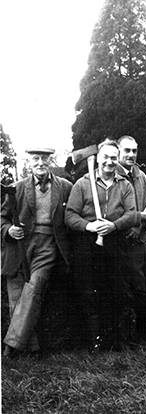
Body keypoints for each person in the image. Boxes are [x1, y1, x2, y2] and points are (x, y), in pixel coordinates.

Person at [65, 139, 138, 352]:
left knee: (118, 290)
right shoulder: (83, 183)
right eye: (105, 157)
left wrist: (113, 226)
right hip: (87, 243)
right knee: (89, 291)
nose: (109, 162)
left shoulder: (125, 185)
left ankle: (119, 341)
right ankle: (95, 341)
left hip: (115, 242)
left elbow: (132, 214)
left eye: (114, 158)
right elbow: (70, 215)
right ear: (98, 159)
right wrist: (89, 227)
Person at [1, 147, 73, 358]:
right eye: (35, 159)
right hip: (22, 244)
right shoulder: (17, 188)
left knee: (35, 285)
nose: (40, 163)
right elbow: (2, 217)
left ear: (50, 161)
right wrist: (8, 230)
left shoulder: (65, 187)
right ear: (29, 163)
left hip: (50, 244)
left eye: (44, 159)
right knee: (20, 293)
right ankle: (31, 347)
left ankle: (11, 346)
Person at [116, 135, 146, 339]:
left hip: (143, 237)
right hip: (124, 240)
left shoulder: (141, 176)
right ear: (118, 151)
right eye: (126, 151)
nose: (131, 155)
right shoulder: (113, 175)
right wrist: (132, 224)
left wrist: (141, 224)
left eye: (134, 151)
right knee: (136, 286)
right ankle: (145, 328)